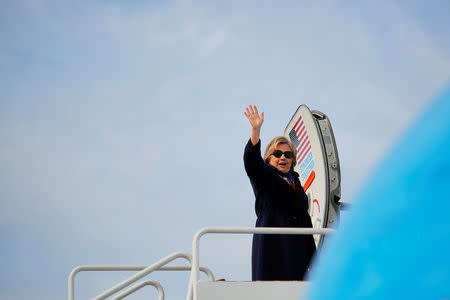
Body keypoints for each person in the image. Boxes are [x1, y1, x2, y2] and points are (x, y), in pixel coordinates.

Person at [243, 105, 316, 281]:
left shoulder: (296, 184)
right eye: (277, 153)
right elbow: (252, 164)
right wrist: (255, 131)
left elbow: (305, 221)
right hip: (273, 250)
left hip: (297, 252)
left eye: (288, 155)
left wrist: (314, 261)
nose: (283, 157)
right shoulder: (265, 177)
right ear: (269, 158)